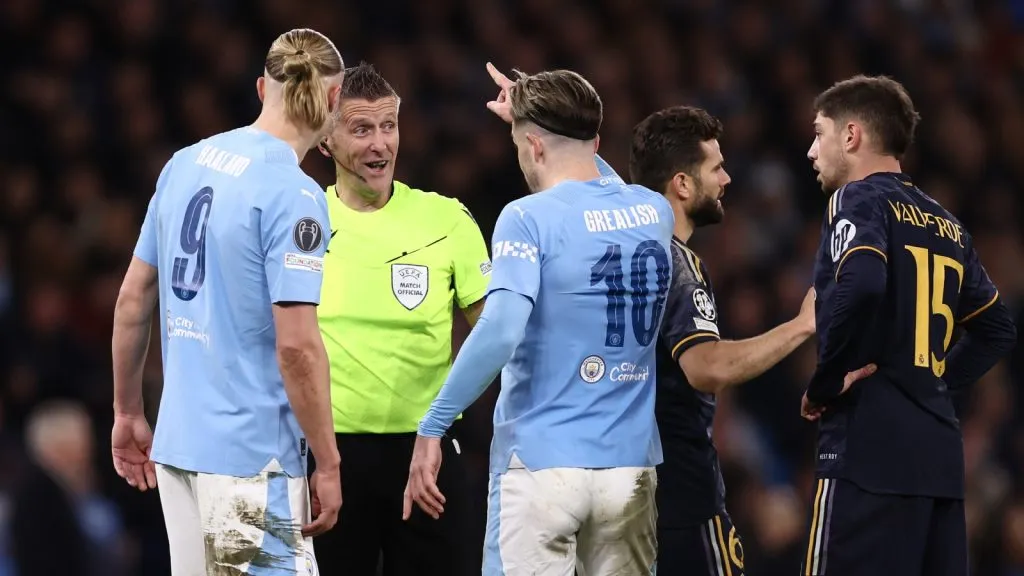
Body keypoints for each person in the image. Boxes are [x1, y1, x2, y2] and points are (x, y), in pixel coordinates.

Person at [405, 63, 674, 576]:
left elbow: (502, 329)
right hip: (630, 468)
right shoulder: (652, 211)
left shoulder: (527, 217)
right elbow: (602, 184)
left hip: (542, 464)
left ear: (532, 147)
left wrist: (434, 424)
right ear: (595, 139)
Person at [110, 28, 346, 575]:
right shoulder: (297, 194)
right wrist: (328, 461)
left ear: (263, 88)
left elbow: (130, 301)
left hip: (178, 449)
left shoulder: (184, 163)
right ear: (333, 100)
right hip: (250, 460)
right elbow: (297, 349)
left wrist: (127, 411)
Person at [800, 75, 1017, 576]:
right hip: (939, 462)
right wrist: (934, 379)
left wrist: (826, 383)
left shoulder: (856, 201)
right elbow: (996, 329)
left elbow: (864, 281)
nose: (812, 151)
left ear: (851, 136)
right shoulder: (948, 224)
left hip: (867, 451)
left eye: (819, 133)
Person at [615, 105, 826, 576]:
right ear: (682, 184)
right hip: (679, 495)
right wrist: (801, 326)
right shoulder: (676, 261)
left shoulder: (616, 257)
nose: (727, 178)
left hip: (613, 493)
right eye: (716, 167)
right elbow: (706, 365)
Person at [311, 62, 491, 576]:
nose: (379, 144)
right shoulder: (301, 222)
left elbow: (493, 334)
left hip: (428, 455)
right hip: (329, 459)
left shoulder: (448, 220)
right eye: (361, 128)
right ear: (326, 142)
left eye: (388, 126)